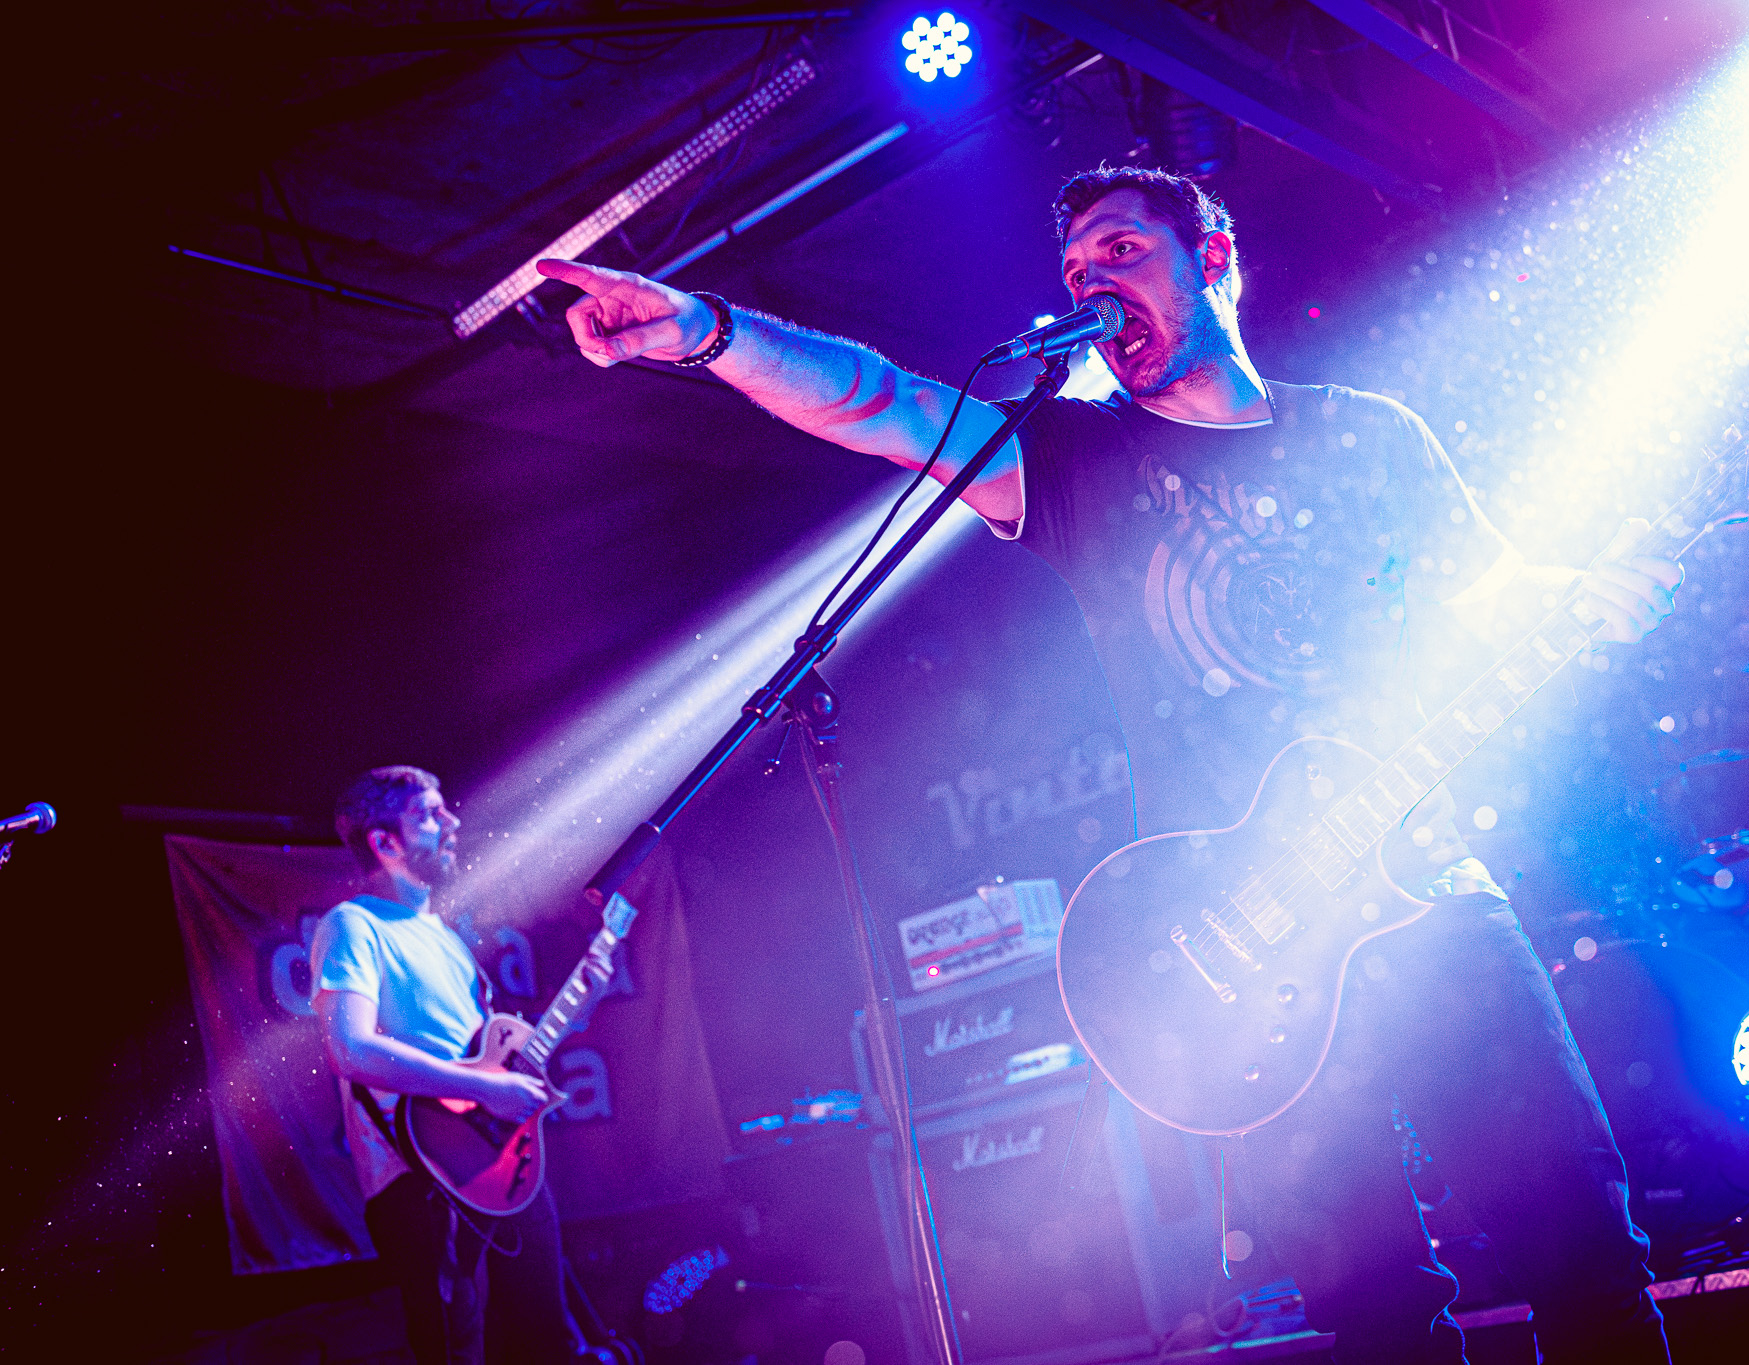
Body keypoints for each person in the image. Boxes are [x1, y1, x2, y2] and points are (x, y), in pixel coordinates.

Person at [537, 165, 1681, 1362]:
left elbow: (1490, 590)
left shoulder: (1366, 433)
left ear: (1213, 256)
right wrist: (705, 332)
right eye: (1075, 269)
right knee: (1379, 1316)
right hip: (1236, 944)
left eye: (1122, 252)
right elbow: (886, 404)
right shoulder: (1081, 459)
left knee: (1584, 1263)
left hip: (1422, 890)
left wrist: (1590, 589)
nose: (1092, 283)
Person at [312, 765, 585, 1365]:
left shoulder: (447, 936)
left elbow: (489, 1059)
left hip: (502, 1169)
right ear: (385, 843)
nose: (452, 821)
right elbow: (349, 1048)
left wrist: (562, 1022)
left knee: (546, 1343)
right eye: (430, 815)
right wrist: (484, 1092)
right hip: (421, 1180)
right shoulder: (352, 925)